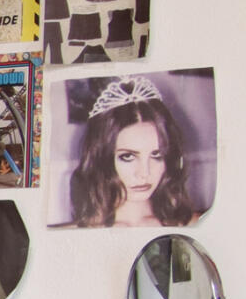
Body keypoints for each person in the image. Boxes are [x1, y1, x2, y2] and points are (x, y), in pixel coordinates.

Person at [68, 77, 201, 227]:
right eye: (128, 157)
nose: (144, 173)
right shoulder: (75, 236)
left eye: (157, 155)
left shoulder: (192, 225)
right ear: (102, 159)